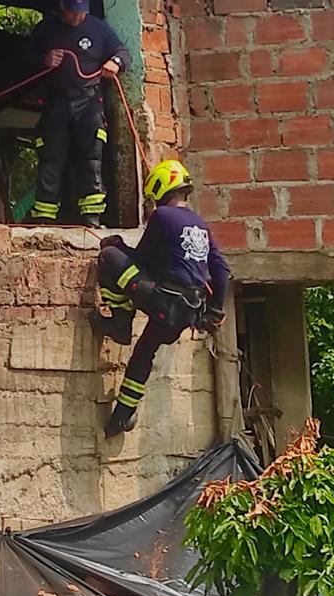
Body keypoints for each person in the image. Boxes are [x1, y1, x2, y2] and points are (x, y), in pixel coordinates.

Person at [92, 159, 231, 438]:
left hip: (162, 299)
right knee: (144, 351)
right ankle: (121, 416)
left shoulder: (163, 217)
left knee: (109, 258)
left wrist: (116, 244)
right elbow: (223, 272)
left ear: (160, 187)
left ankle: (120, 322)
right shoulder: (201, 225)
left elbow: (140, 258)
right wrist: (214, 314)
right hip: (187, 312)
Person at [28, 0, 131, 228]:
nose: (78, 17)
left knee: (91, 157)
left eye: (82, 12)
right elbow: (24, 58)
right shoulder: (46, 30)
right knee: (51, 157)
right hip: (56, 102)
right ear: (62, 6)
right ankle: (45, 217)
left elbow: (123, 52)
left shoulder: (98, 28)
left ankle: (91, 217)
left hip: (89, 102)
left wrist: (115, 63)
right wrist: (43, 60)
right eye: (73, 11)